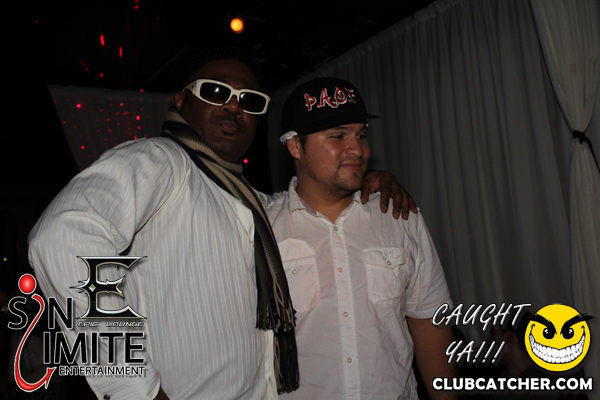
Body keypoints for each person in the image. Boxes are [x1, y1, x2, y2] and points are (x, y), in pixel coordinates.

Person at [28, 49, 416, 400]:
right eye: (216, 92)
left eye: (249, 100)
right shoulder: (161, 159)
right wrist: (133, 389)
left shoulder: (250, 201)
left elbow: (304, 200)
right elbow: (62, 240)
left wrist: (359, 178)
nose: (233, 107)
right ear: (182, 100)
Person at [266, 77, 456, 399]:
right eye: (338, 136)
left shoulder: (400, 217)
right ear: (296, 146)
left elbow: (429, 322)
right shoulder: (261, 228)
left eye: (361, 135)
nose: (358, 149)